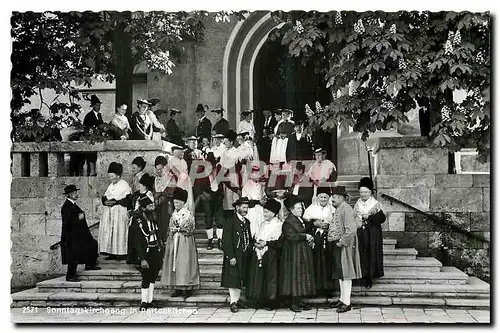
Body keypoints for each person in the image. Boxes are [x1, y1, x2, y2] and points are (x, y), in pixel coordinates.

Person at [328, 186, 363, 313]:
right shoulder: (340, 208)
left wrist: (341, 242)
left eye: (334, 198)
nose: (332, 200)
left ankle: (347, 303)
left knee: (346, 274)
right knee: (341, 274)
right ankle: (342, 299)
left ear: (341, 198)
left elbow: (351, 230)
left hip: (344, 246)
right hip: (339, 244)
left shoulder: (346, 209)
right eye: (332, 198)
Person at [161, 187, 200, 297]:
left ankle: (186, 287)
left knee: (184, 263)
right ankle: (176, 287)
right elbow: (170, 227)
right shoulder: (173, 214)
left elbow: (191, 229)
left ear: (183, 202)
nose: (176, 204)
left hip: (185, 240)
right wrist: (171, 231)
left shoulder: (187, 214)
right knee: (174, 263)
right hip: (174, 240)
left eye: (178, 202)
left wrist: (180, 229)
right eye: (174, 202)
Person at [280, 194, 316, 312]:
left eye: (301, 208)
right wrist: (305, 236)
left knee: (301, 274)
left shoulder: (299, 219)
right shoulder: (288, 222)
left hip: (300, 251)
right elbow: (291, 236)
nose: (301, 210)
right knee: (295, 275)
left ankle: (299, 300)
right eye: (299, 208)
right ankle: (294, 302)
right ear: (291, 210)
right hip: (293, 252)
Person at [246, 198, 283, 310]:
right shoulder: (263, 224)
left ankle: (271, 301)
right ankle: (260, 300)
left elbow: (280, 242)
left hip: (271, 254)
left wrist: (266, 243)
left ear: (273, 212)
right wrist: (256, 244)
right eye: (264, 211)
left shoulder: (279, 225)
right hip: (259, 253)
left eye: (266, 211)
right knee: (260, 277)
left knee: (271, 277)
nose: (264, 213)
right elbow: (257, 236)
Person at [128, 192, 162, 310]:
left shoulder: (152, 217)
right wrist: (142, 258)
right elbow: (137, 242)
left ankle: (150, 300)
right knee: (146, 276)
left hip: (155, 249)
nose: (152, 207)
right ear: (143, 208)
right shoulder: (137, 220)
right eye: (149, 206)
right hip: (145, 252)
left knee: (154, 275)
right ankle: (143, 302)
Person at [61, 185, 100, 282]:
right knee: (72, 256)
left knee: (92, 244)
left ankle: (90, 264)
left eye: (75, 192)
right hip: (71, 235)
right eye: (74, 193)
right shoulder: (66, 206)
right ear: (69, 195)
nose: (76, 194)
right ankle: (70, 276)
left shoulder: (73, 205)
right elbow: (67, 221)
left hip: (79, 234)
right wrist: (78, 218)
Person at [303, 186, 336, 302]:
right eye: (321, 197)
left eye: (325, 197)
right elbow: (306, 222)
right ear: (317, 197)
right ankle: (315, 289)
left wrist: (328, 226)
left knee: (327, 261)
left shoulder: (332, 209)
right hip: (315, 238)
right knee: (316, 261)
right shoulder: (310, 209)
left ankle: (328, 288)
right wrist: (315, 223)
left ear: (329, 198)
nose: (323, 199)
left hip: (328, 238)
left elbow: (336, 222)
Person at [220, 197, 253, 313]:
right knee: (233, 278)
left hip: (244, 255)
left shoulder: (247, 222)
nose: (246, 210)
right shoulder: (230, 221)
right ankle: (233, 302)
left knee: (239, 278)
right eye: (244, 207)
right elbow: (226, 240)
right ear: (237, 207)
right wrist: (231, 256)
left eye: (247, 207)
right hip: (234, 255)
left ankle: (238, 300)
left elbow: (248, 238)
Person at [354, 177, 386, 289]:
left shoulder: (376, 204)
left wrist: (370, 217)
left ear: (370, 192)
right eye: (361, 192)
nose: (363, 194)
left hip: (373, 233)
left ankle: (370, 277)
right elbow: (354, 218)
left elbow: (382, 219)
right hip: (361, 232)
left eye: (366, 192)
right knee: (361, 254)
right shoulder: (357, 205)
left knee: (371, 253)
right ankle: (362, 275)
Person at [99, 162, 132, 260]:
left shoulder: (124, 185)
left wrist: (116, 202)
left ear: (118, 175)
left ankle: (121, 253)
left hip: (119, 212)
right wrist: (105, 201)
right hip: (109, 213)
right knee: (111, 232)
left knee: (119, 232)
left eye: (112, 176)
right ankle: (112, 252)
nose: (111, 179)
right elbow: (105, 196)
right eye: (109, 176)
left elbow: (128, 199)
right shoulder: (111, 185)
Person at [127, 173, 155, 265]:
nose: (139, 186)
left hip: (145, 220)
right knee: (133, 236)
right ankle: (133, 257)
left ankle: (142, 257)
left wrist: (142, 209)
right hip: (135, 219)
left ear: (145, 186)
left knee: (139, 238)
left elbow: (151, 208)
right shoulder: (137, 195)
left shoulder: (149, 195)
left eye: (141, 185)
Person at [154, 155, 175, 243]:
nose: (158, 171)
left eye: (160, 169)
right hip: (157, 204)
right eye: (157, 169)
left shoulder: (171, 177)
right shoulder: (156, 178)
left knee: (166, 223)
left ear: (165, 167)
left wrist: (162, 197)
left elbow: (172, 189)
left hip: (167, 204)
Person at [168, 145, 195, 212]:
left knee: (188, 200)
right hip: (178, 183)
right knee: (179, 201)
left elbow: (186, 171)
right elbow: (175, 172)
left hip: (186, 183)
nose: (182, 154)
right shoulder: (171, 161)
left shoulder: (183, 161)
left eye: (182, 152)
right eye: (180, 152)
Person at [83, 94, 104, 176]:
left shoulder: (99, 115)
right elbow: (86, 128)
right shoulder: (89, 116)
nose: (98, 107)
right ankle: (92, 171)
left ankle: (97, 170)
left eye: (99, 105)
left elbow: (101, 125)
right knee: (91, 154)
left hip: (98, 138)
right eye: (97, 105)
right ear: (93, 106)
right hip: (90, 138)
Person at [242, 164, 266, 237]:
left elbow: (263, 196)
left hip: (260, 209)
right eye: (257, 173)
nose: (259, 175)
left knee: (261, 226)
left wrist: (263, 200)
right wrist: (257, 202)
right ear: (251, 174)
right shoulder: (247, 186)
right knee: (252, 227)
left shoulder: (259, 185)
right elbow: (245, 200)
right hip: (251, 210)